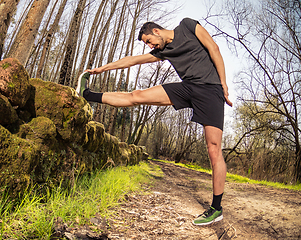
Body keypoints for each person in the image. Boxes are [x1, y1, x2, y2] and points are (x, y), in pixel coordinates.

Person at [76, 18, 233, 226]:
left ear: (156, 31)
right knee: (136, 95)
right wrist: (102, 69)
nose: (150, 46)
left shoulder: (187, 25)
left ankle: (216, 208)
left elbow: (213, 47)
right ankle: (87, 94)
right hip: (188, 88)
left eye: (149, 41)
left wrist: (223, 84)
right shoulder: (162, 51)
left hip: (210, 89)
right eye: (147, 44)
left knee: (214, 149)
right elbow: (133, 60)